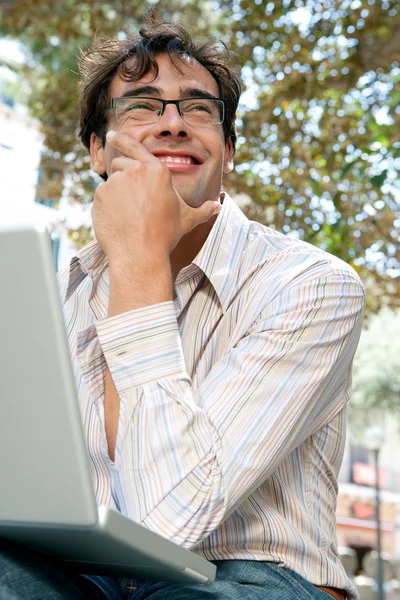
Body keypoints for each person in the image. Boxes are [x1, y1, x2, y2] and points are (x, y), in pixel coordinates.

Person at [0, 13, 364, 600]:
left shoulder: (310, 284)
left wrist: (139, 258)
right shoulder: (60, 294)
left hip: (249, 574)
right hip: (85, 564)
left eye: (199, 109)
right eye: (142, 107)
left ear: (227, 151)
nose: (173, 124)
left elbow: (165, 522)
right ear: (98, 151)